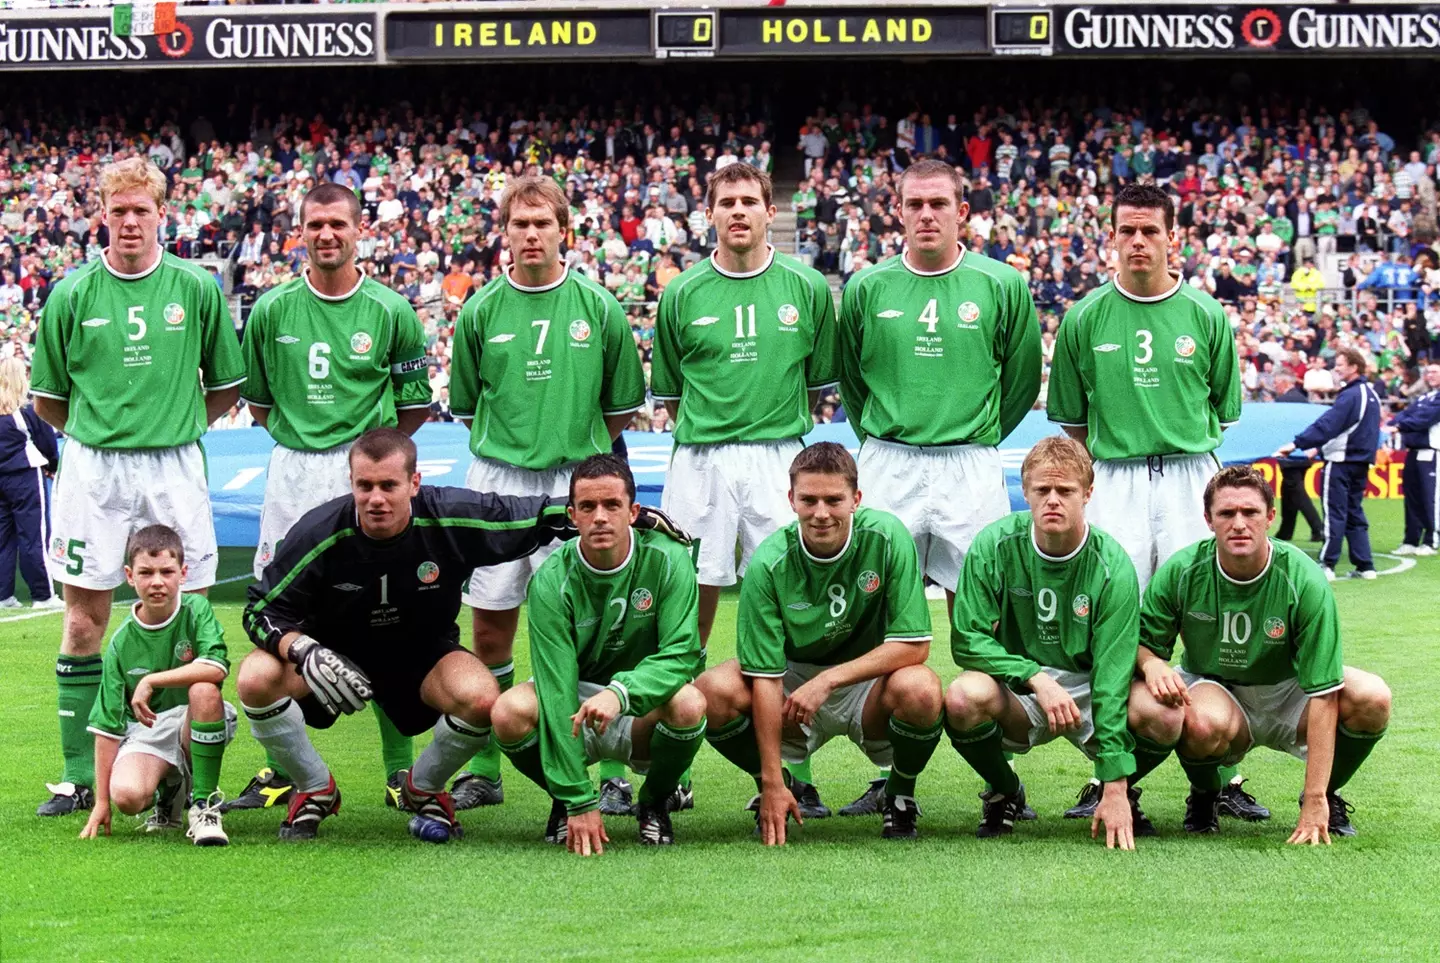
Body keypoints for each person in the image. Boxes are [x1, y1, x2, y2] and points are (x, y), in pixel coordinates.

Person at [29, 157, 245, 817]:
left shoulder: (196, 286)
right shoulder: (71, 293)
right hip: (94, 468)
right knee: (82, 618)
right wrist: (106, 436)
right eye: (118, 209)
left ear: (161, 214)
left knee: (188, 620)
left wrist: (169, 428)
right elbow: (48, 400)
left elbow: (226, 387)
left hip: (174, 465)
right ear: (102, 213)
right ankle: (77, 777)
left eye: (141, 210)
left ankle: (176, 778)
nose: (129, 221)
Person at [237, 428, 577, 842]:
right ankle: (314, 788)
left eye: (388, 485)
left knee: (482, 696)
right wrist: (303, 648)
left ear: (414, 483)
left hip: (422, 657)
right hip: (331, 659)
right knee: (255, 677)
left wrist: (614, 517)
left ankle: (424, 788)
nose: (375, 498)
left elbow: (532, 513)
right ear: (352, 483)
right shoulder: (319, 531)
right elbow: (259, 609)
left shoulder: (449, 515)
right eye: (364, 485)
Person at [1045, 182, 1261, 823]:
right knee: (1116, 623)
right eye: (1126, 231)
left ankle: (1222, 771)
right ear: (1111, 237)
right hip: (1115, 478)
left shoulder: (1206, 314)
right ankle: (1113, 772)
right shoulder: (1085, 317)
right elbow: (1071, 423)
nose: (1138, 242)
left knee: (1210, 617)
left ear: (1174, 237)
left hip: (1191, 475)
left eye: (1150, 231)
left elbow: (1222, 413)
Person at [836, 158, 1040, 816]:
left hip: (969, 461)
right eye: (915, 203)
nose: (927, 214)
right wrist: (888, 434)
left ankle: (997, 770)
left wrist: (975, 433)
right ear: (897, 211)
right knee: (885, 616)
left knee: (980, 614)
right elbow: (852, 383)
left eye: (940, 203)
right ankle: (896, 776)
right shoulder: (867, 288)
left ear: (963, 212)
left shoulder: (1001, 284)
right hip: (888, 458)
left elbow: (1021, 379)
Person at [228, 182, 434, 815]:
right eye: (314, 224)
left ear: (358, 228)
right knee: (284, 618)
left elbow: (416, 404)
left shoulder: (392, 311)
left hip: (364, 474)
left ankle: (402, 771)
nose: (326, 235)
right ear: (300, 230)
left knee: (390, 610)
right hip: (292, 473)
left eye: (337, 224)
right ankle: (284, 767)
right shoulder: (270, 310)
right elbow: (258, 403)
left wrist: (368, 464)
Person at [449, 176, 646, 812]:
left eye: (542, 224)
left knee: (603, 632)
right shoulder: (479, 310)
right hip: (500, 483)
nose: (530, 235)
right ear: (503, 232)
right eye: (518, 224)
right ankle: (485, 769)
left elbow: (617, 409)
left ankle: (614, 770)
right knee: (492, 630)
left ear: (564, 230)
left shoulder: (599, 307)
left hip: (576, 484)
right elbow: (465, 402)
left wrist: (574, 456)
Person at [651, 163, 839, 818]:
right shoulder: (681, 293)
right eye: (726, 201)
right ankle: (668, 763)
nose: (738, 211)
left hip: (777, 458)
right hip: (700, 459)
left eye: (750, 201)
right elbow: (671, 394)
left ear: (769, 211)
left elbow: (818, 382)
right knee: (681, 616)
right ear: (709, 213)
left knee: (787, 614)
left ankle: (797, 769)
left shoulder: (806, 288)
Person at [694, 443, 944, 843]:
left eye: (833, 500)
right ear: (791, 499)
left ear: (855, 500)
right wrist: (771, 779)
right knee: (712, 690)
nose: (821, 512)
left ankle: (899, 793)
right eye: (808, 500)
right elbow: (764, 676)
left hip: (867, 684)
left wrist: (829, 681)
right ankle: (780, 786)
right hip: (792, 684)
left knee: (922, 688)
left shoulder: (887, 536)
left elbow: (914, 646)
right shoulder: (769, 562)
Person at [945, 437, 1181, 846]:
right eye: (1042, 490)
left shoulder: (1112, 565)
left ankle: (1117, 792)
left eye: (1066, 491)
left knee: (1166, 715)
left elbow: (1112, 675)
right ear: (1025, 490)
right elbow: (967, 639)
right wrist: (1035, 677)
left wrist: (1114, 783)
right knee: (963, 696)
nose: (1053, 500)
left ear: (1088, 494)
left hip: (1089, 687)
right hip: (1021, 690)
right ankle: (1005, 790)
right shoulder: (993, 545)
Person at [1137, 467, 1391, 841]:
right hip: (1217, 688)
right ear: (1208, 519)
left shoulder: (1304, 579)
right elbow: (1140, 643)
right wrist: (1152, 662)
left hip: (1291, 691)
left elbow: (1323, 692)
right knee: (1198, 723)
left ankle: (1325, 796)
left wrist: (1316, 796)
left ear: (1270, 517)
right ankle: (1207, 793)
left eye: (1250, 512)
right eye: (1226, 514)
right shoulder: (1183, 570)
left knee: (1373, 697)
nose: (1238, 523)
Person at [492, 455, 704, 854]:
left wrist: (621, 692)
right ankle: (563, 799)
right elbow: (556, 687)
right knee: (508, 712)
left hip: (641, 701)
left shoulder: (668, 559)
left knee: (690, 703)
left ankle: (655, 801)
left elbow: (681, 654)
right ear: (572, 515)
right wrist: (578, 798)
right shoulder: (552, 578)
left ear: (633, 511)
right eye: (588, 507)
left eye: (612, 505)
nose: (600, 517)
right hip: (575, 702)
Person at [77, 526, 236, 846]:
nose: (158, 581)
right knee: (127, 796)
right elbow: (107, 725)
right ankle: (171, 790)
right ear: (129, 576)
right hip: (147, 730)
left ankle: (204, 806)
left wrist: (151, 679)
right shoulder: (121, 642)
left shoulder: (196, 609)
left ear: (183, 573)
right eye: (146, 572)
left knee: (204, 689)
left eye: (167, 571)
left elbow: (217, 668)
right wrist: (102, 803)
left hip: (197, 717)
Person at [1277, 348, 1382, 581]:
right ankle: (1365, 565)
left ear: (1354, 367)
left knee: (1335, 512)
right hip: (1360, 462)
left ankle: (1327, 564)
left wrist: (1297, 443)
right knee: (1355, 512)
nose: (1336, 368)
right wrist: (1319, 449)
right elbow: (1354, 430)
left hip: (1340, 463)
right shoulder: (1370, 394)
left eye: (1341, 364)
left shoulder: (1351, 395)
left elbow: (1329, 424)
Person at [0, 356, 60, 610]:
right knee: (33, 535)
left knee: (3, 539)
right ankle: (43, 595)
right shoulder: (26, 410)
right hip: (25, 476)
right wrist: (52, 466)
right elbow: (47, 442)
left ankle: (3, 596)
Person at [1390, 363, 1440, 555]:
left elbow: (1425, 418)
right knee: (1412, 497)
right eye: (1428, 372)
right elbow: (1406, 414)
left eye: (1435, 372)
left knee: (1430, 498)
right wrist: (1390, 424)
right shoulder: (1424, 398)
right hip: (1414, 451)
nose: (1430, 375)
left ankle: (1431, 540)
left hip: (1432, 451)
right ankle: (1411, 539)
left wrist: (1399, 427)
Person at [1270, 369, 1324, 544]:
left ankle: (1318, 527)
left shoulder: (1281, 402)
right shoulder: (1304, 401)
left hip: (1290, 453)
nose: (1274, 386)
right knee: (1288, 490)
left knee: (1296, 489)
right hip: (1304, 452)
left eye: (1276, 382)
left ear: (1286, 383)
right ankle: (1286, 531)